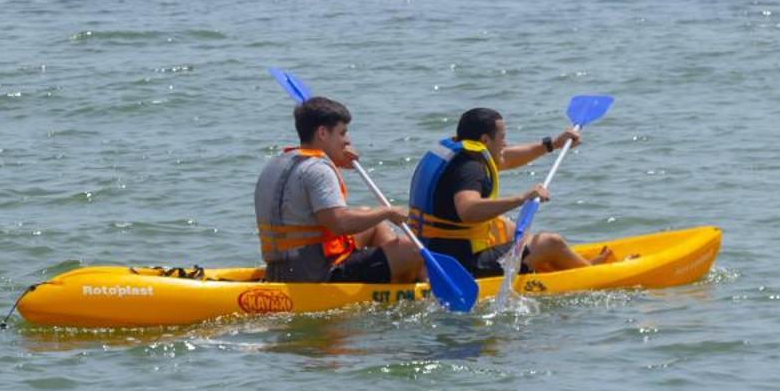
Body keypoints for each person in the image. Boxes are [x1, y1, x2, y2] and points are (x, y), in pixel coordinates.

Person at [407, 106, 606, 278]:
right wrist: (521, 198)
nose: (505, 143)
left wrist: (552, 144)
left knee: (508, 228)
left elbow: (505, 158)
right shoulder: (471, 168)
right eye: (502, 137)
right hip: (459, 266)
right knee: (549, 242)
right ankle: (593, 274)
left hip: (433, 253)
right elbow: (467, 209)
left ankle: (553, 265)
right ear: (485, 139)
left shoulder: (461, 154)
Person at [254, 95, 422, 284]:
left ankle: (393, 278)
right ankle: (408, 283)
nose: (347, 141)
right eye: (342, 133)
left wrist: (338, 162)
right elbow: (338, 224)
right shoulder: (319, 170)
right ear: (322, 133)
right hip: (316, 274)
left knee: (371, 220)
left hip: (282, 268)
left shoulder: (279, 162)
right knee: (414, 250)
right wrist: (387, 212)